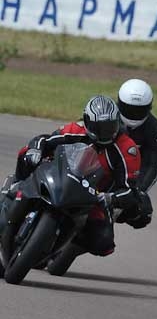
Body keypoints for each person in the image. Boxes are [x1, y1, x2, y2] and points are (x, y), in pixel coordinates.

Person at [12, 95, 142, 258]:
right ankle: (15, 186)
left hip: (95, 196)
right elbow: (45, 140)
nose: (104, 133)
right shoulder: (76, 129)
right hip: (60, 176)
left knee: (104, 244)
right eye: (99, 128)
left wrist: (111, 198)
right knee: (26, 153)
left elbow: (130, 190)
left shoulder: (128, 149)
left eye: (109, 127)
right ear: (87, 122)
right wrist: (35, 150)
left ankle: (67, 245)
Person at [115, 78, 157, 229]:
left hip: (127, 178)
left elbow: (152, 165)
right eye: (129, 109)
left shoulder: (155, 131)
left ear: (149, 107)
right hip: (100, 167)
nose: (133, 114)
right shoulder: (107, 115)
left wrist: (137, 191)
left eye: (138, 110)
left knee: (143, 213)